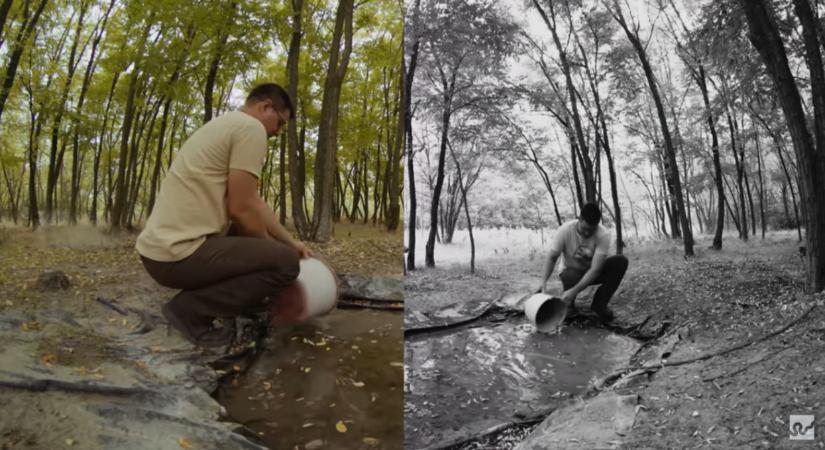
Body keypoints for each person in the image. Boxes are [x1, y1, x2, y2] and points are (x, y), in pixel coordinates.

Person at [137, 83, 312, 347]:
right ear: (266, 107)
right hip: (176, 256)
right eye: (280, 122)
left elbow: (253, 203)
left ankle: (239, 300)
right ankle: (189, 311)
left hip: (158, 253)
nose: (277, 132)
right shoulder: (251, 129)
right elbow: (240, 209)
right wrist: (276, 252)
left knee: (278, 250)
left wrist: (290, 241)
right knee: (285, 263)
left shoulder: (227, 124)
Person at [535, 202, 628, 322]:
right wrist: (543, 282)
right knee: (570, 274)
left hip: (592, 272)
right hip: (571, 272)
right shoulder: (565, 231)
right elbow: (552, 257)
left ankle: (599, 306)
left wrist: (574, 291)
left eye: (591, 230)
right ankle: (569, 305)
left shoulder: (603, 234)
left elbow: (595, 270)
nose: (587, 233)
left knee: (620, 262)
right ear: (579, 219)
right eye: (585, 229)